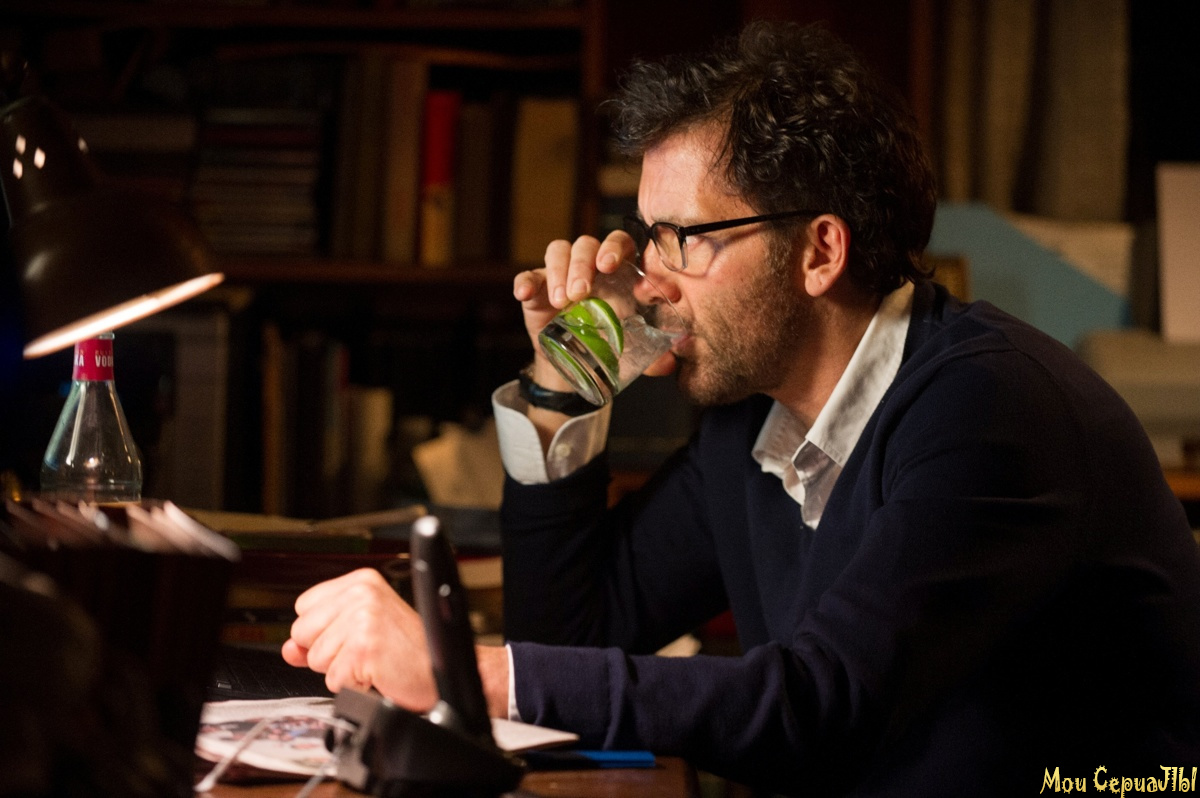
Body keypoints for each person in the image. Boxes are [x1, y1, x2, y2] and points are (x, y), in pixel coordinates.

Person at [284, 22, 1200, 795]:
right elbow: (573, 633)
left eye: (683, 238)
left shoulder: (988, 408)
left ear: (820, 252)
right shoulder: (755, 420)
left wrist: (461, 673)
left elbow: (821, 708)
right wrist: (565, 384)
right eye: (649, 236)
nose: (648, 278)